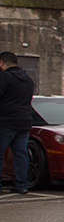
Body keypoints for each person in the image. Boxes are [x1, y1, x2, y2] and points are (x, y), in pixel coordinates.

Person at [0, 51, 35, 194]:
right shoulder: (27, 79)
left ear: (1, 63)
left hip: (5, 121)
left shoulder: (4, 77)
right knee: (21, 154)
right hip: (24, 121)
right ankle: (22, 185)